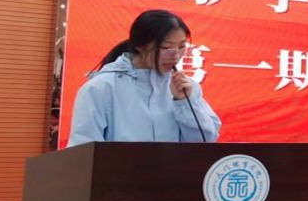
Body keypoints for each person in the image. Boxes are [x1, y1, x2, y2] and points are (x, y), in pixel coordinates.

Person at [67, 9, 221, 146]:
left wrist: (184, 103)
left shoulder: (186, 87)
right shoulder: (101, 88)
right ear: (140, 46)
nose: (175, 55)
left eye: (182, 46)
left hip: (175, 170)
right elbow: (83, 150)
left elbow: (205, 142)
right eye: (166, 47)